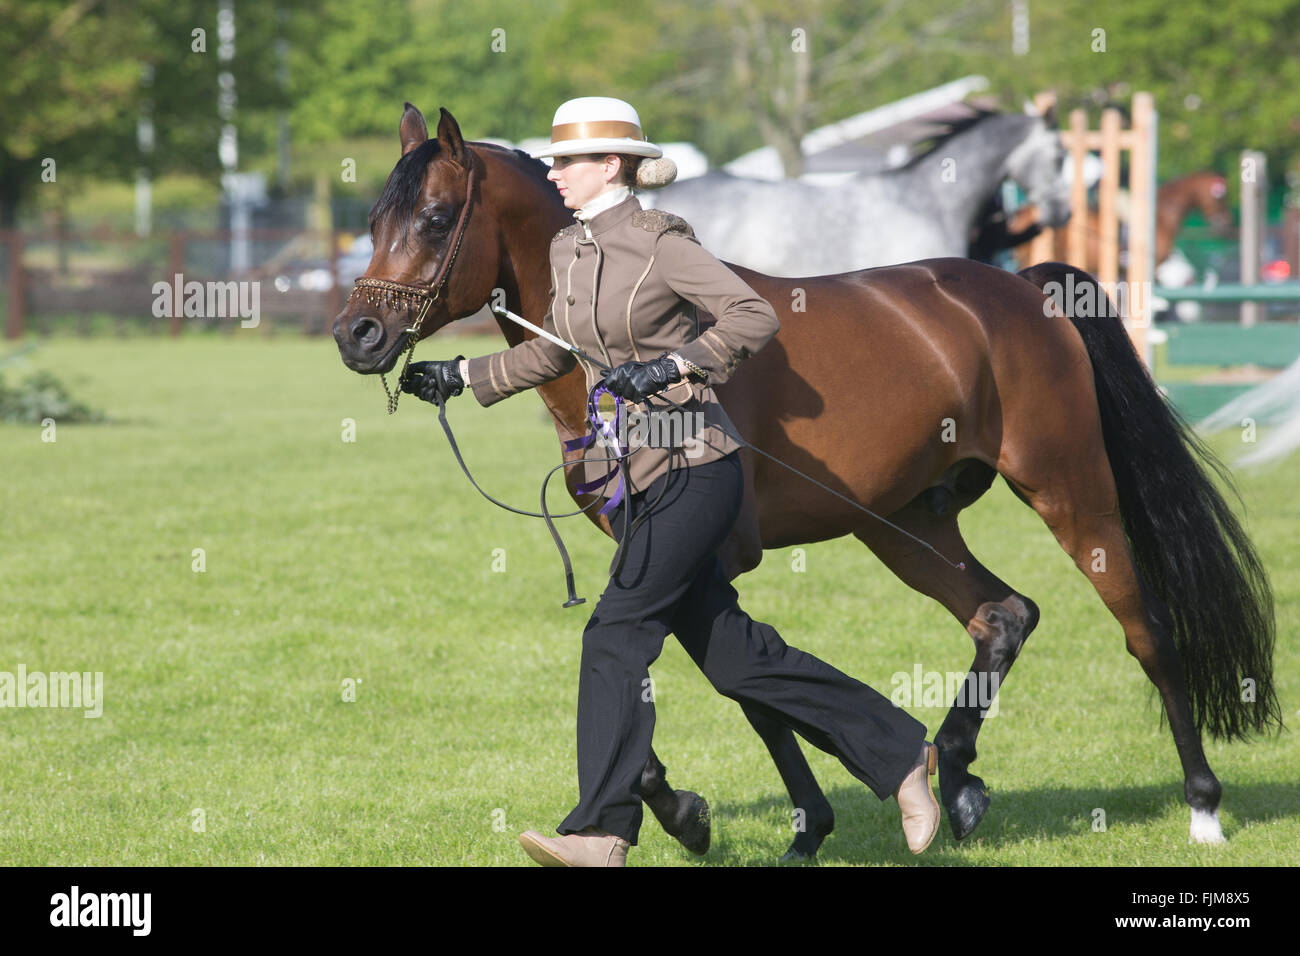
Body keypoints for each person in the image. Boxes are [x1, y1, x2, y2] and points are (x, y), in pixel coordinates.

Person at [402, 96, 939, 866]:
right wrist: (463, 375)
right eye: (551, 160)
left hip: (696, 466)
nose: (552, 173)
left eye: (568, 161)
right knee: (736, 659)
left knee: (614, 635)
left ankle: (600, 832)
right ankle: (900, 753)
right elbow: (556, 353)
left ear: (611, 165)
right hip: (636, 475)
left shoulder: (661, 244)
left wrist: (676, 364)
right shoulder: (570, 251)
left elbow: (752, 317)